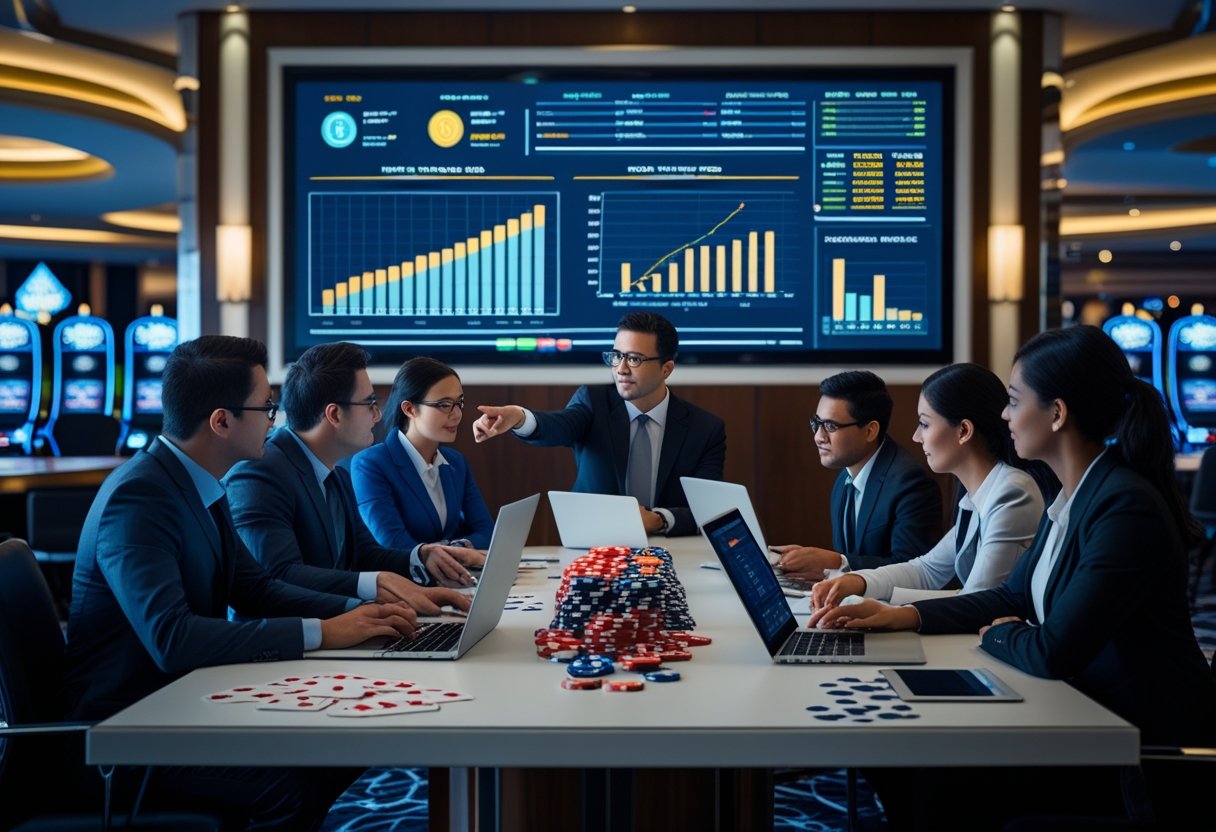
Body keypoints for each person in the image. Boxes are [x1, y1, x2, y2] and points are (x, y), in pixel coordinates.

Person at [816, 326, 1216, 828]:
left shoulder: (1123, 506)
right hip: (1083, 714)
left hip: (1135, 752)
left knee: (931, 781)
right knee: (912, 771)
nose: (1003, 416)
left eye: (1013, 400)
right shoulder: (1072, 497)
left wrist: (1003, 632)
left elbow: (1052, 649)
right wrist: (904, 615)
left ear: (1057, 413)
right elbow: (1008, 596)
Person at [61, 335, 417, 830]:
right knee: (301, 779)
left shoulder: (199, 482)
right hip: (128, 731)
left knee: (337, 746)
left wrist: (356, 616)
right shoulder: (141, 497)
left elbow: (256, 588)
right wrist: (324, 633)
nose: (275, 421)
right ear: (221, 421)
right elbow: (172, 639)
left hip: (183, 702)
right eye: (266, 408)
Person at [226, 342, 479, 596]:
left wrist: (423, 556)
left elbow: (365, 555)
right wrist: (375, 588)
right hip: (291, 633)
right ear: (334, 414)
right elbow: (279, 576)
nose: (378, 416)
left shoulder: (337, 475)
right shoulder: (259, 473)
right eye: (369, 403)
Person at [808, 363, 1045, 617]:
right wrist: (859, 582)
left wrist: (897, 614)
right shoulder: (976, 497)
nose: (916, 437)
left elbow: (977, 599)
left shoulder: (1011, 492)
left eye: (924, 424)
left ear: (963, 431)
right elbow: (927, 569)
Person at [471, 311, 726, 536]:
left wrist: (658, 520)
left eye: (634, 359)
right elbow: (559, 425)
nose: (621, 369)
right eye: (616, 356)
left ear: (666, 369)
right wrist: (519, 417)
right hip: (593, 550)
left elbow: (708, 511)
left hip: (673, 552)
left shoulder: (705, 430)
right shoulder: (593, 402)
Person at [771, 370, 942, 580]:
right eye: (816, 423)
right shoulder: (845, 476)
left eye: (830, 426)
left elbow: (912, 570)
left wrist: (833, 563)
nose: (818, 437)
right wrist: (811, 563)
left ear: (870, 431)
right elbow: (853, 556)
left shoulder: (912, 484)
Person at [350, 357, 493, 570]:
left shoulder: (456, 463)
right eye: (444, 405)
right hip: (402, 585)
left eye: (458, 403)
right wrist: (448, 555)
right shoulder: (370, 464)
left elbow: (486, 531)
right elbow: (392, 544)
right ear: (409, 409)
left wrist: (458, 547)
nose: (457, 414)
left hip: (455, 577)